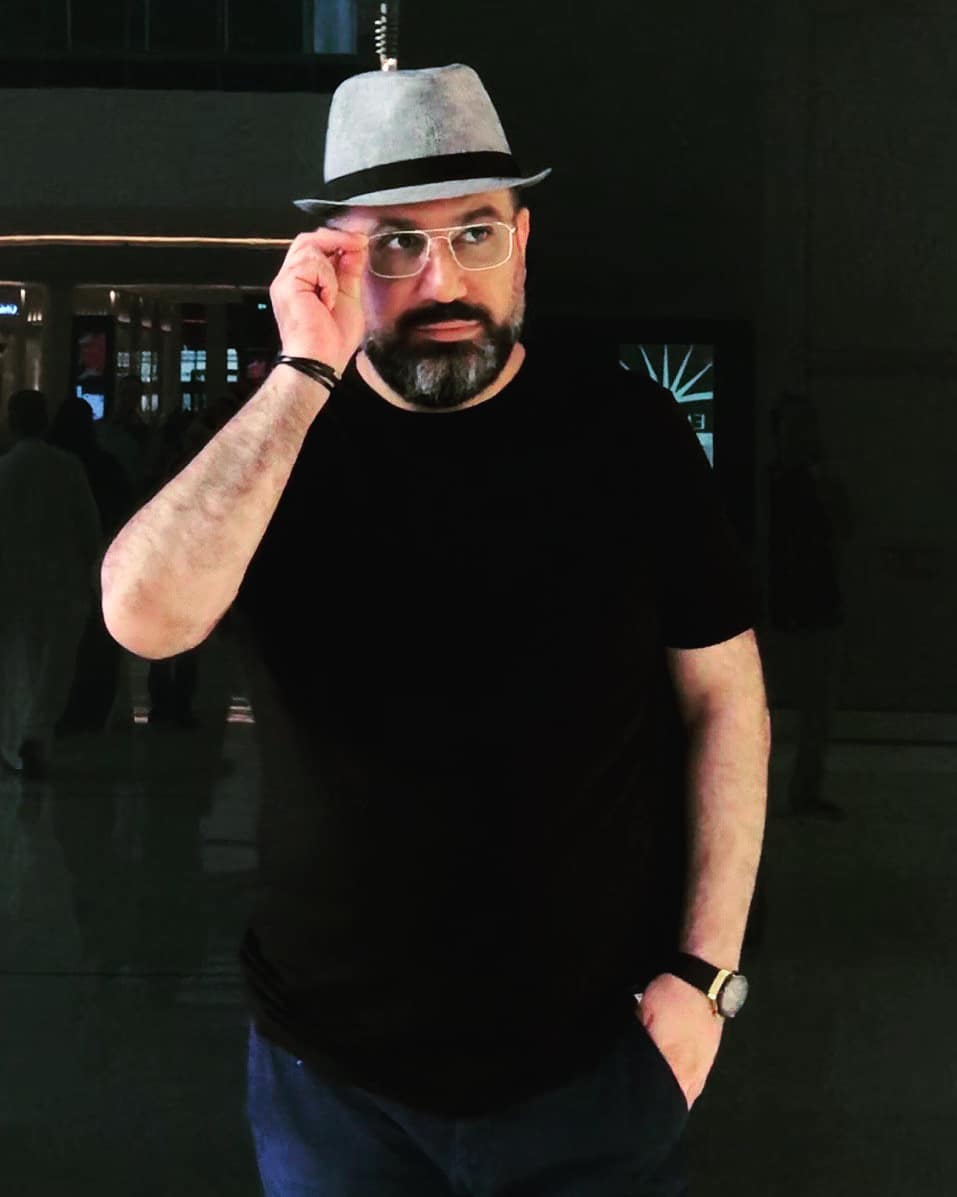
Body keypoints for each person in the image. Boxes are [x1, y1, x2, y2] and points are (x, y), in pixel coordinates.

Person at [101, 63, 771, 1196]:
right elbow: (143, 620)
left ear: (523, 242)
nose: (442, 278)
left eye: (474, 233)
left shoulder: (628, 436)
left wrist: (705, 978)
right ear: (330, 259)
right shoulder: (274, 441)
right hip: (333, 1078)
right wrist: (301, 374)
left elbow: (725, 700)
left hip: (595, 1060)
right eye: (396, 245)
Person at [0, 390, 102, 778]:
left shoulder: (4, 470)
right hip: (63, 584)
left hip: (12, 584)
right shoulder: (67, 467)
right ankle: (36, 733)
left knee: (16, 664)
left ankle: (14, 742)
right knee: (54, 666)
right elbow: (88, 527)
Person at [768, 392, 852, 820]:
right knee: (805, 710)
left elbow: (843, 528)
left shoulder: (803, 481)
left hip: (807, 606)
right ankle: (798, 792)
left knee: (814, 711)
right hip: (792, 607)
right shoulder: (777, 483)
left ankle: (801, 791)